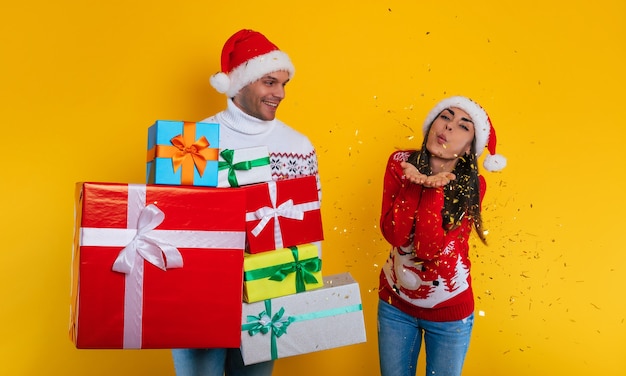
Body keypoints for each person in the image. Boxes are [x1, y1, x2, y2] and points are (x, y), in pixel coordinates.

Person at [172, 29, 320, 376]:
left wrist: (300, 293)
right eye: (270, 82)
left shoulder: (298, 146)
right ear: (239, 84)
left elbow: (309, 230)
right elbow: (169, 225)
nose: (280, 94)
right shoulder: (192, 143)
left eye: (284, 84)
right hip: (199, 296)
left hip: (268, 295)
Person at [377, 96, 506, 376]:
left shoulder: (473, 185)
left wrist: (432, 188)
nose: (447, 128)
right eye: (445, 117)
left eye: (463, 126)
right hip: (395, 306)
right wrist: (415, 182)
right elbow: (395, 236)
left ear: (471, 147)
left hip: (449, 314)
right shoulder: (399, 162)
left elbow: (427, 249)